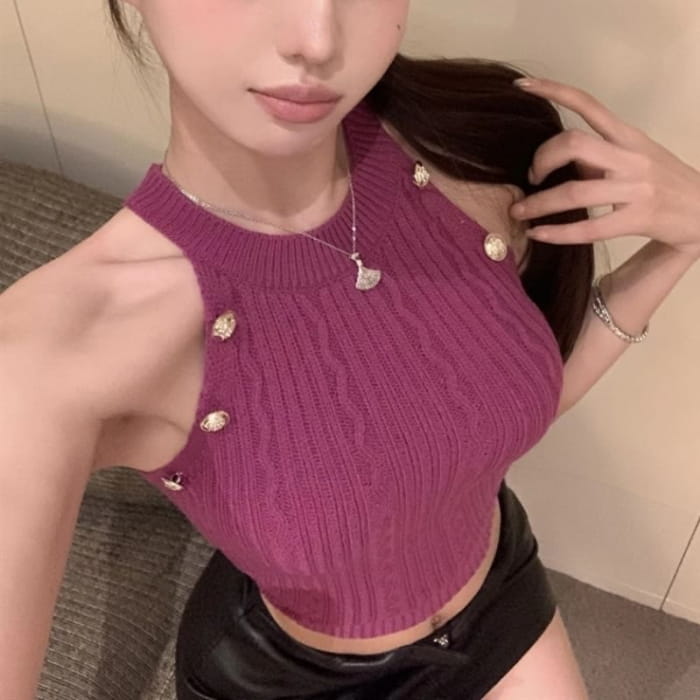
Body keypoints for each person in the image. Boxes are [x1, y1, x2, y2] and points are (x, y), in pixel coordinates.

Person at [13, 1, 700, 698]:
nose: (317, 40)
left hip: (499, 596)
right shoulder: (56, 353)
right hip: (299, 680)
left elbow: (496, 410)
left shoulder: (474, 156)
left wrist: (684, 240)